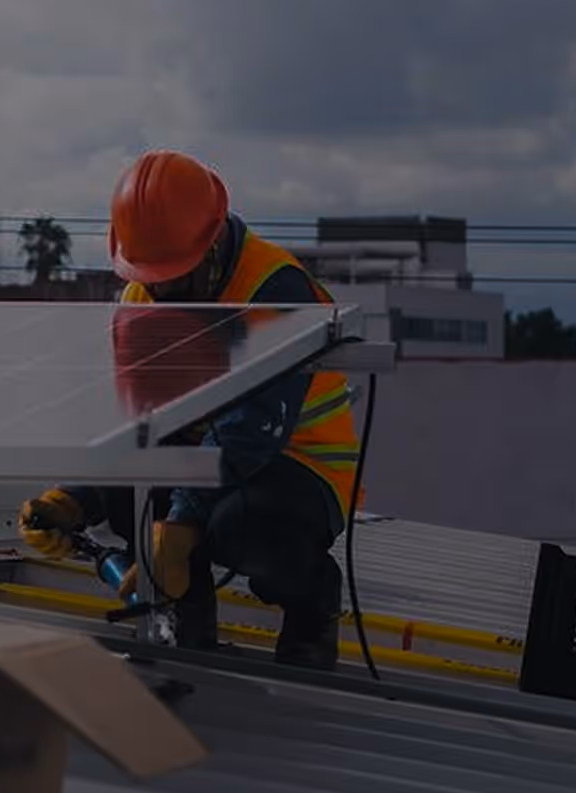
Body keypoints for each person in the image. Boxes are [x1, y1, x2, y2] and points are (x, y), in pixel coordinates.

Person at [18, 148, 360, 670]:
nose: (163, 290)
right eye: (153, 276)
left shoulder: (275, 286)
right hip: (205, 457)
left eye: (176, 276)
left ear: (216, 241)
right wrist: (75, 498)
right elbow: (137, 424)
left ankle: (311, 615)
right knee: (133, 486)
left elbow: (252, 429)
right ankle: (184, 625)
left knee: (241, 520)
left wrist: (179, 525)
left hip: (299, 468)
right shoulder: (139, 299)